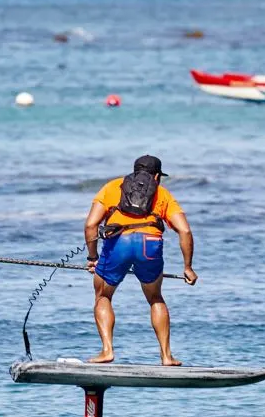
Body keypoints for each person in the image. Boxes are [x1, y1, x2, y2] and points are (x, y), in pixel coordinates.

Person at [84, 155, 197, 366]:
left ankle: (107, 350)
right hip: (149, 244)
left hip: (118, 244)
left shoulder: (112, 187)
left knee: (103, 295)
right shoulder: (162, 194)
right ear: (156, 176)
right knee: (155, 297)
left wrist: (93, 257)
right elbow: (185, 230)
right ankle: (166, 356)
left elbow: (91, 225)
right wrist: (188, 267)